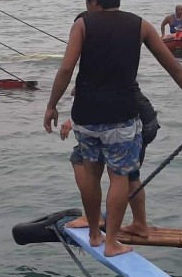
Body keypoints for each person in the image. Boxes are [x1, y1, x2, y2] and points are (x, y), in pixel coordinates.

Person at [43, 0, 182, 257]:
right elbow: (175, 68)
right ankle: (112, 241)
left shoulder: (82, 24)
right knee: (119, 176)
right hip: (121, 115)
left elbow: (66, 69)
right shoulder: (141, 25)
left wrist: (52, 105)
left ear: (93, 0)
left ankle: (93, 233)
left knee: (91, 171)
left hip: (85, 115)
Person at [60, 82, 159, 239]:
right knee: (130, 174)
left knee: (79, 159)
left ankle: (93, 217)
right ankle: (140, 224)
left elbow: (83, 94)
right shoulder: (120, 63)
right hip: (146, 119)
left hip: (129, 121)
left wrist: (71, 119)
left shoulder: (93, 72)